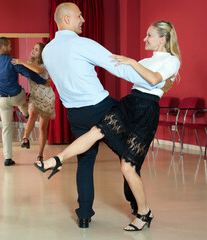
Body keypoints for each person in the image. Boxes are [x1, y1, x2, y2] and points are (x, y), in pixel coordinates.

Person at [37, 20, 180, 231]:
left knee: (127, 166)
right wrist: (125, 64)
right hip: (129, 103)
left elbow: (154, 79)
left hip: (146, 112)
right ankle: (56, 160)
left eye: (149, 35)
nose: (145, 39)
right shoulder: (145, 60)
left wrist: (132, 63)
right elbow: (135, 74)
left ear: (163, 39)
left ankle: (144, 212)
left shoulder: (171, 61)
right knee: (95, 132)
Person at [0, 37, 48, 166]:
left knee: (6, 128)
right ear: (4, 47)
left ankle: (7, 158)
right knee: (22, 101)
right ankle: (26, 113)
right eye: (10, 46)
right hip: (17, 96)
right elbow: (29, 74)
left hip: (2, 100)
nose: (11, 48)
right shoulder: (11, 61)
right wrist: (44, 82)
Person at [11, 42, 55, 162]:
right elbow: (20, 70)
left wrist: (22, 62)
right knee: (32, 115)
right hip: (35, 96)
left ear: (41, 53)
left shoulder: (45, 63)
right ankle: (25, 138)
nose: (33, 50)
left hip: (46, 97)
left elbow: (38, 71)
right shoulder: (27, 64)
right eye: (33, 48)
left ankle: (40, 154)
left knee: (42, 128)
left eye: (36, 49)